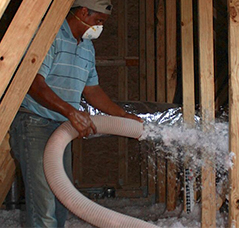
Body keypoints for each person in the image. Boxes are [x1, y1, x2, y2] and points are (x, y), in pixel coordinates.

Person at [9, 0, 142, 227]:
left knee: (62, 199)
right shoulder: (50, 36)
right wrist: (71, 112)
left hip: (61, 128)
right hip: (35, 122)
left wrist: (122, 116)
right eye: (98, 21)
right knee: (44, 205)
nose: (100, 27)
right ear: (82, 12)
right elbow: (34, 83)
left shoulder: (87, 47)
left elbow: (92, 91)